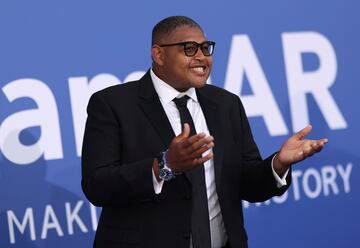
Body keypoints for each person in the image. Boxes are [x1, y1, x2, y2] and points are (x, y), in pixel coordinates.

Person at [81, 16, 328, 248]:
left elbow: (247, 184)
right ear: (159, 54)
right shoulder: (113, 104)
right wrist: (164, 166)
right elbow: (97, 185)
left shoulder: (226, 104)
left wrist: (278, 164)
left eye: (206, 48)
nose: (202, 57)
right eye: (189, 48)